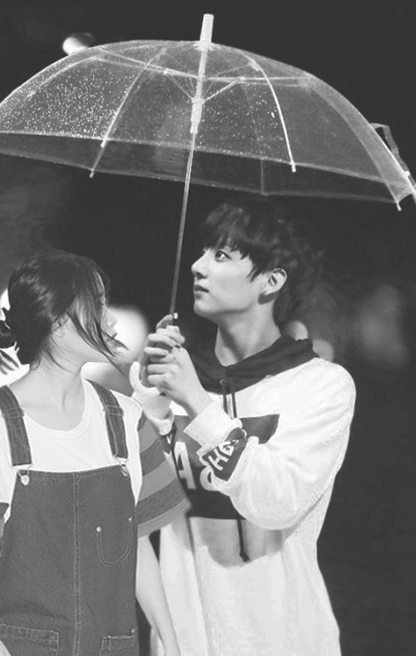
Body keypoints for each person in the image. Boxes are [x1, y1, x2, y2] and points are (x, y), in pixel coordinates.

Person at [131, 197, 357, 656]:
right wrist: (150, 400)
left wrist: (197, 405)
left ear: (271, 281)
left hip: (284, 641)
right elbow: (128, 504)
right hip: (185, 642)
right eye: (202, 251)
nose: (198, 266)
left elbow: (277, 502)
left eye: (221, 255)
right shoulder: (176, 381)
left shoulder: (320, 386)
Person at [0, 249, 188, 656]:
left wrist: (170, 642)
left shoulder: (127, 418)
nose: (111, 321)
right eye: (98, 305)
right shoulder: (1, 427)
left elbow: (135, 540)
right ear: (58, 321)